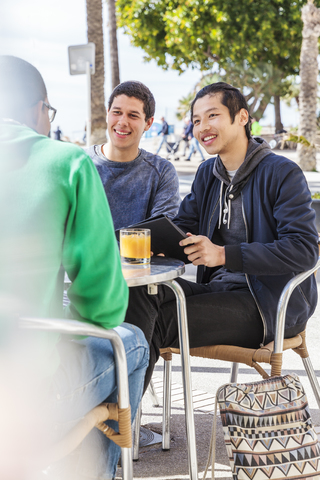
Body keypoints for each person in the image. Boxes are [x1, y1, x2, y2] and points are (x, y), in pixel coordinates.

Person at [0, 55, 149, 480]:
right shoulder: (67, 162)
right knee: (131, 342)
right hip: (24, 391)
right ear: (38, 108)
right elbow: (102, 308)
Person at [124, 81, 318, 390]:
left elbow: (303, 249)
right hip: (219, 291)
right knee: (134, 296)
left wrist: (224, 254)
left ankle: (117, 426)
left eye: (212, 116)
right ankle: (120, 423)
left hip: (270, 305)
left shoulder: (282, 173)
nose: (202, 127)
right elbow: (183, 227)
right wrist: (158, 244)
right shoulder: (207, 173)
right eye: (197, 120)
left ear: (242, 117)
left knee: (154, 322)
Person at [85, 82, 180, 231]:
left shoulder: (162, 172)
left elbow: (162, 235)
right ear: (107, 113)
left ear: (148, 123)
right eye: (116, 112)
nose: (122, 122)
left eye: (133, 115)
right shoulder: (79, 164)